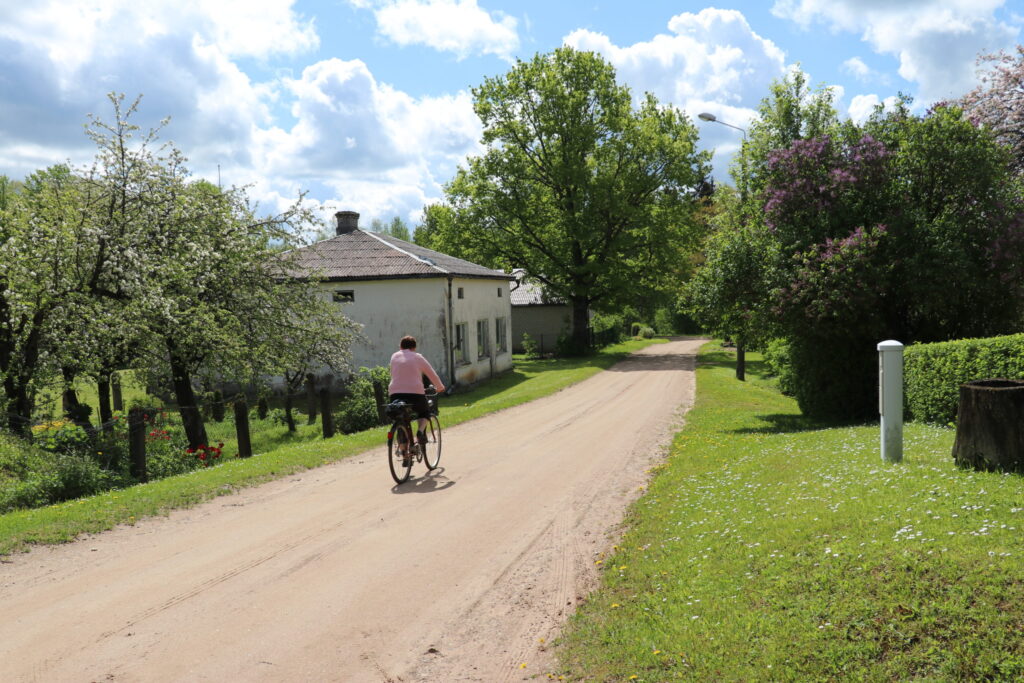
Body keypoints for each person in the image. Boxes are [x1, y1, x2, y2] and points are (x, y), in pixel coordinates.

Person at [388, 336, 446, 459]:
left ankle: (404, 453)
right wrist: (440, 387)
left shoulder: (394, 356)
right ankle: (420, 432)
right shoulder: (417, 357)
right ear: (414, 347)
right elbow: (431, 372)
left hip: (395, 393)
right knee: (424, 412)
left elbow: (394, 373)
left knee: (400, 418)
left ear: (400, 347)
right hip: (415, 393)